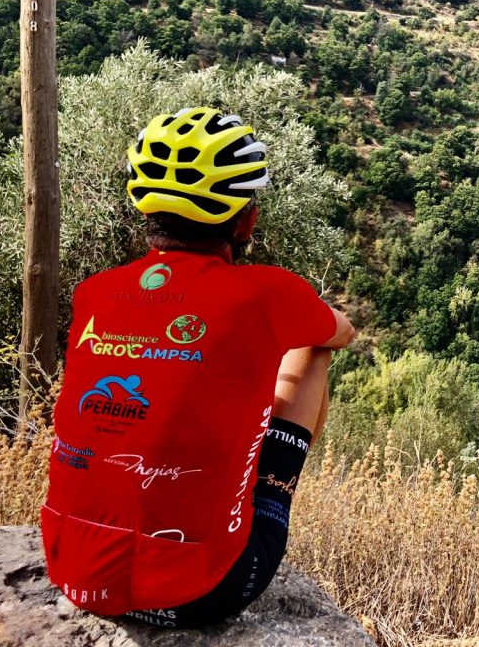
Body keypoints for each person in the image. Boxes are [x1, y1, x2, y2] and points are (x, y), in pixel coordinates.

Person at [41, 107, 355, 628]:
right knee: (313, 348)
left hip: (73, 572)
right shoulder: (268, 292)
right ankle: (269, 487)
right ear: (246, 220)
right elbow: (341, 331)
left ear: (145, 212)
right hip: (204, 591)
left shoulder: (93, 292)